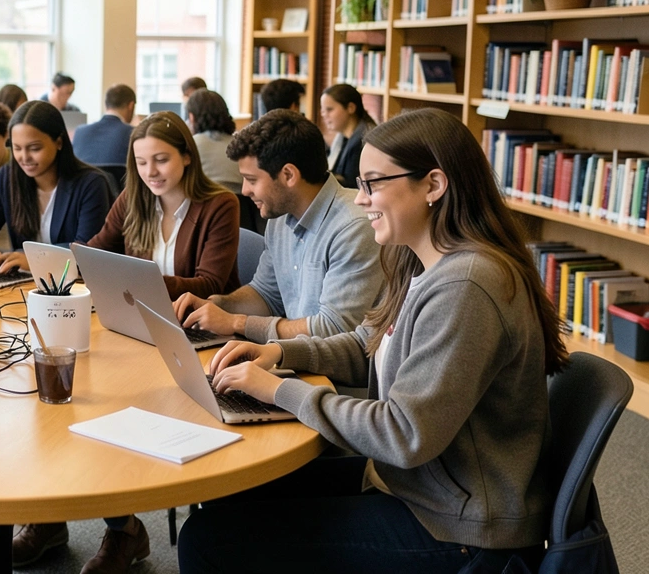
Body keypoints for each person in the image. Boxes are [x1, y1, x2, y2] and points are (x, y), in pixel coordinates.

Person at [187, 108, 566, 573]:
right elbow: (364, 344)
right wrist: (280, 352)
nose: (361, 199)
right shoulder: (420, 263)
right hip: (416, 486)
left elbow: (404, 434)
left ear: (433, 185)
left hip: (457, 528)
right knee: (229, 500)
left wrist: (281, 391)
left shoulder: (466, 285)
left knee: (209, 539)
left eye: (373, 184)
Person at [8, 112, 239, 574]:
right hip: (132, 328)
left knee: (101, 409)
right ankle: (52, 518)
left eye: (161, 160)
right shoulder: (134, 200)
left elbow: (211, 281)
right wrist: (59, 265)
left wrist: (144, 279)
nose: (151, 171)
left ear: (187, 158)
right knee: (63, 403)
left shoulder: (220, 205)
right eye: (141, 161)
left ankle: (123, 532)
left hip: (193, 338)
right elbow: (93, 250)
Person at [173, 109, 382, 342]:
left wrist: (236, 322)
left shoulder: (353, 228)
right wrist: (218, 305)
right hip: (293, 356)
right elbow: (266, 295)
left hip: (334, 374)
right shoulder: (279, 219)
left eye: (252, 179)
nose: (244, 190)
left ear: (288, 175)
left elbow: (334, 329)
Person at [0, 100, 111, 273]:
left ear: (59, 142)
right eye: (17, 148)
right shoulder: (8, 177)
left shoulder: (91, 184)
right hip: (25, 284)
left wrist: (36, 259)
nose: (24, 157)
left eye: (34, 148)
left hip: (74, 286)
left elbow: (87, 251)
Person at [185, 89, 241, 193]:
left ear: (191, 117)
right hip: (242, 206)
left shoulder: (190, 145)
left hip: (204, 204)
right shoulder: (241, 146)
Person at [322, 82, 377, 189]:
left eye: (329, 110)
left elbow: (351, 185)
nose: (324, 115)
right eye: (323, 110)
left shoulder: (362, 141)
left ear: (351, 108)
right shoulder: (342, 137)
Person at [72, 84, 136, 166]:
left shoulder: (80, 132)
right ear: (131, 105)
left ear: (105, 105)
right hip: (117, 179)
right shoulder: (132, 133)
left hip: (84, 178)